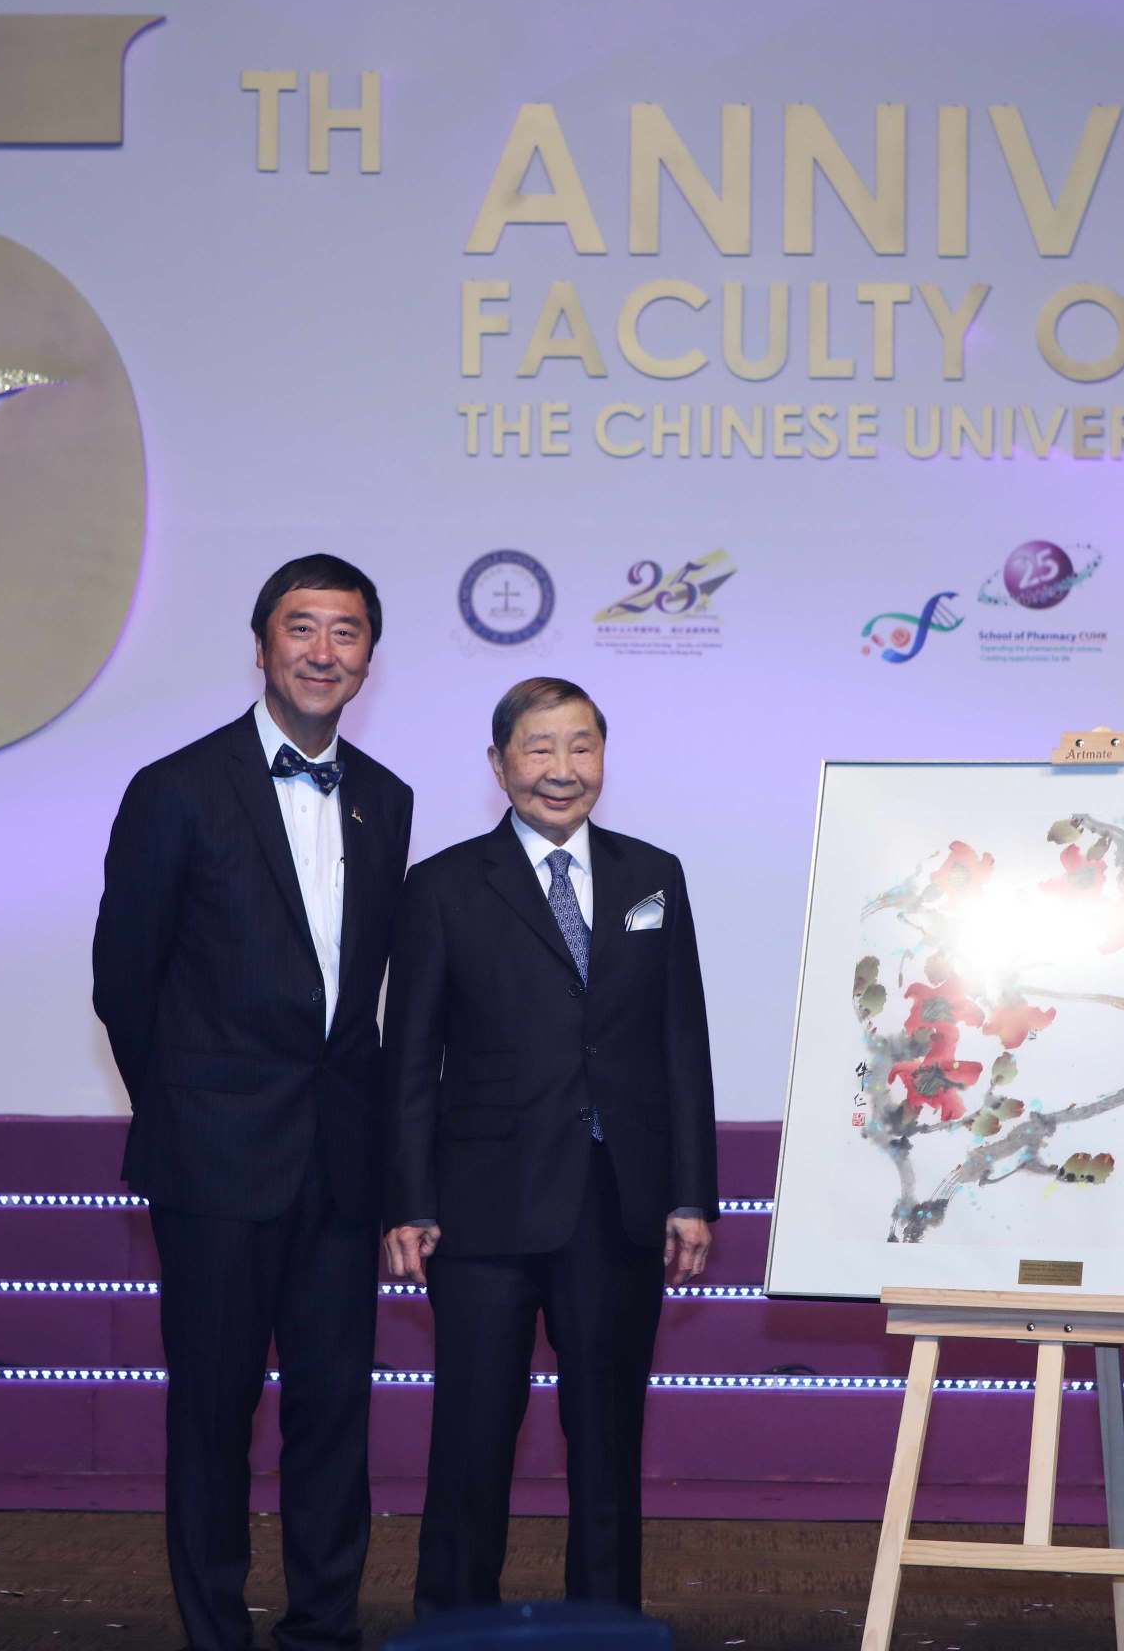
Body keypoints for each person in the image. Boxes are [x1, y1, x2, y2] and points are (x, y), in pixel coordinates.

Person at [91, 555, 415, 1651]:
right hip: (214, 1163)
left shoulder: (387, 799)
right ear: (263, 642)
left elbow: (362, 998)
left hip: (339, 1164)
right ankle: (216, 1632)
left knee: (335, 1416)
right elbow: (123, 980)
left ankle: (324, 1628)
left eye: (347, 632)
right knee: (214, 1417)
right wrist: (189, 1109)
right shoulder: (176, 788)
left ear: (371, 653)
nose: (324, 651)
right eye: (302, 628)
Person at [382, 677, 719, 1614]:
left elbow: (680, 1043)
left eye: (581, 747)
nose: (561, 770)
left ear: (603, 760)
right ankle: (452, 1619)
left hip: (616, 1203)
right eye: (539, 749)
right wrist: (407, 1200)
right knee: (473, 1435)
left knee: (608, 1435)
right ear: (499, 766)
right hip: (481, 1209)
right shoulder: (443, 886)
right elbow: (409, 1059)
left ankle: (607, 1620)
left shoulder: (656, 874)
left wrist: (691, 1194)